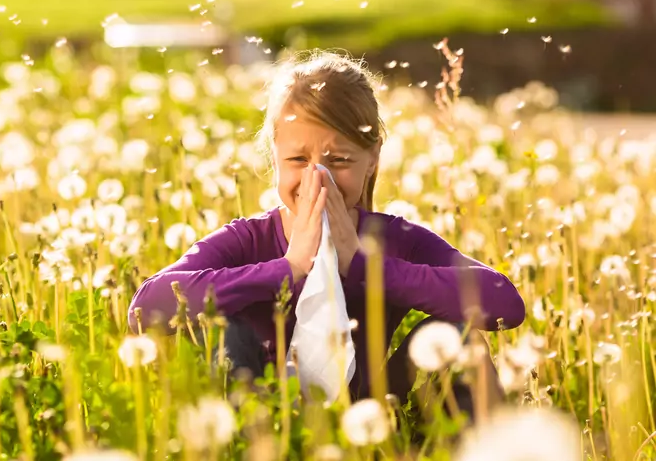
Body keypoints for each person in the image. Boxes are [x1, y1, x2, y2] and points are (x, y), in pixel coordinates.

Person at [128, 51, 525, 419]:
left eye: (339, 160)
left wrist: (365, 266)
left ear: (372, 159)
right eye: (298, 159)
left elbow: (504, 303)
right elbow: (145, 309)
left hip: (370, 415)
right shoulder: (248, 239)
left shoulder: (394, 238)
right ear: (274, 155)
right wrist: (288, 269)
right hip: (262, 415)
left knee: (461, 337)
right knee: (221, 330)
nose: (318, 177)